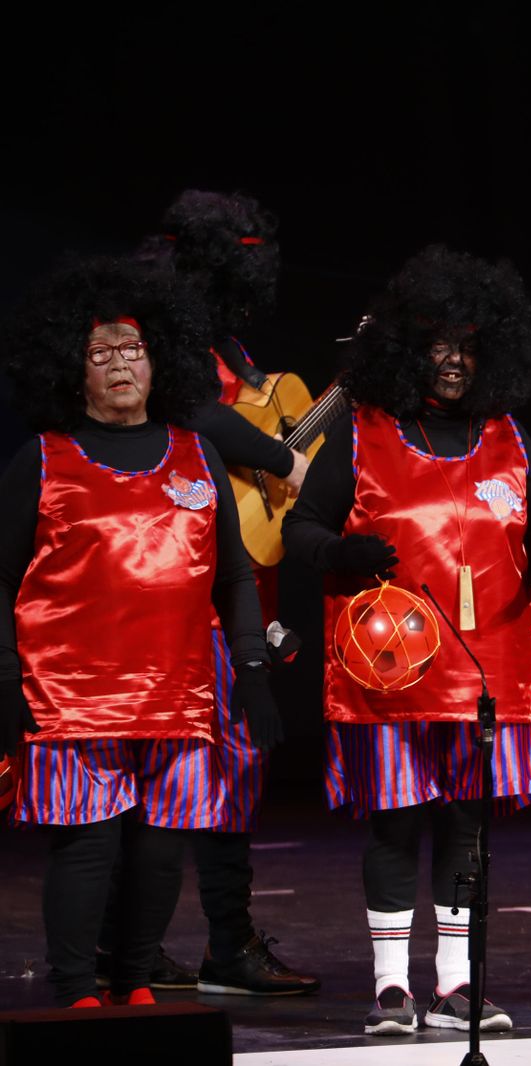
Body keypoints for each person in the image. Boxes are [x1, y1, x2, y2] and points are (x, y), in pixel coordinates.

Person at [283, 245, 531, 1035]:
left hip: (489, 667)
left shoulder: (507, 434)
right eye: (438, 346)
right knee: (396, 822)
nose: (453, 362)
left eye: (467, 346)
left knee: (465, 824)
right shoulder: (362, 429)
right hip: (391, 673)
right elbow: (301, 526)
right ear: (408, 352)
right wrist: (338, 555)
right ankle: (391, 986)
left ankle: (455, 984)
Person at [0, 257, 280, 1008]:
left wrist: (250, 672)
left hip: (179, 692)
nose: (121, 364)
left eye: (134, 349)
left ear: (160, 360)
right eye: (101, 353)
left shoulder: (199, 454)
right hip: (71, 697)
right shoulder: (44, 460)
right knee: (89, 848)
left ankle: (132, 982)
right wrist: (5, 681)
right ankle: (74, 989)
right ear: (73, 368)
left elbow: (234, 576)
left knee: (160, 855)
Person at [136, 187, 319, 996]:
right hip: (179, 586)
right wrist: (284, 462)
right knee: (167, 769)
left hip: (248, 581)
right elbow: (198, 419)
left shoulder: (234, 349)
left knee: (237, 769)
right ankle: (130, 947)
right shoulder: (159, 339)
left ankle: (228, 943)